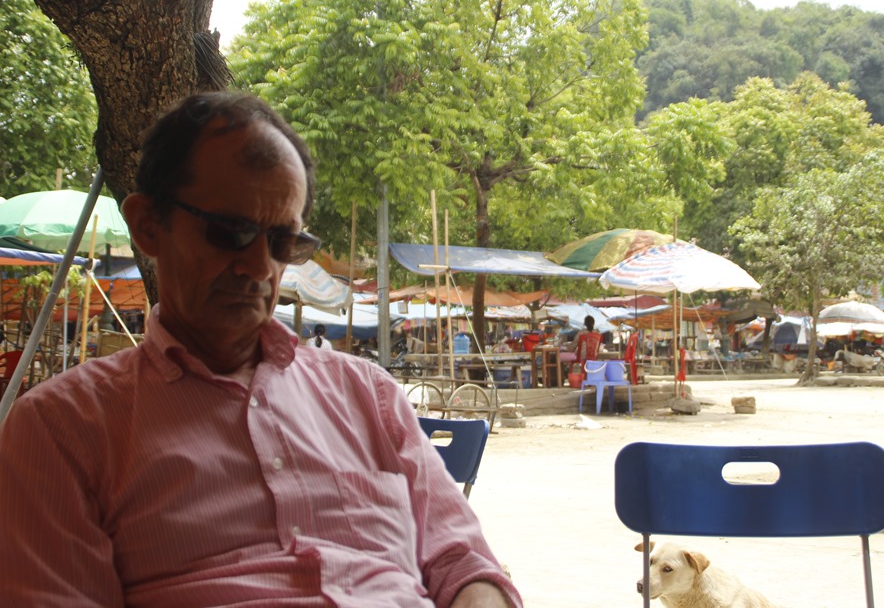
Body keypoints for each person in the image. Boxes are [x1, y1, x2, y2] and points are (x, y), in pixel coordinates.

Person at [0, 92, 520, 608]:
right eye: (230, 231)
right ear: (148, 226)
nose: (258, 268)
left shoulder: (369, 396)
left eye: (281, 243)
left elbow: (465, 565)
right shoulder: (62, 431)